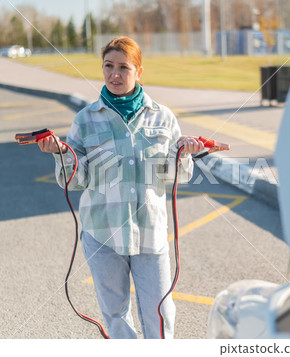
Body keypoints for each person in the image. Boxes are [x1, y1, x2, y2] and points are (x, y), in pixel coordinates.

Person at [37, 36, 204, 339]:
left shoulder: (163, 118)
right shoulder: (85, 120)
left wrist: (184, 153)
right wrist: (61, 153)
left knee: (161, 313)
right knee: (115, 317)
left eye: (123, 67)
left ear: (139, 71)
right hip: (102, 234)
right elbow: (76, 180)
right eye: (108, 66)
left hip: (150, 233)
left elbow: (174, 178)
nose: (114, 74)